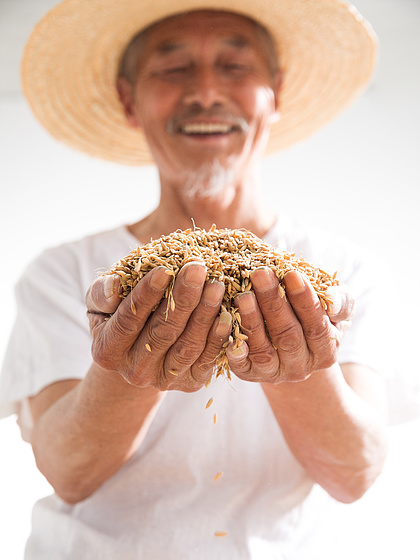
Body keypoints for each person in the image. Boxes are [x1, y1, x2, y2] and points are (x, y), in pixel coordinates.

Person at [0, 1, 408, 558]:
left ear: (276, 93)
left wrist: (296, 357)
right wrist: (126, 366)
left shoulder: (343, 272)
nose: (207, 92)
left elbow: (354, 472)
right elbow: (68, 471)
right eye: (173, 69)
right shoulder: (68, 273)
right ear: (129, 100)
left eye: (236, 66)